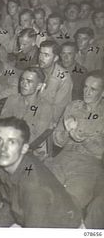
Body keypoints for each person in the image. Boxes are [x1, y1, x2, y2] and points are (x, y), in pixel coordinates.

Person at [0, 117, 81, 228]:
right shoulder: (6, 166)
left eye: (11, 142)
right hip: (28, 216)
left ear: (24, 148)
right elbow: (9, 203)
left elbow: (35, 228)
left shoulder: (34, 188)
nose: (2, 148)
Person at [46, 70, 104, 212]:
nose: (87, 92)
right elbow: (57, 141)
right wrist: (67, 133)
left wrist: (82, 138)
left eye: (93, 89)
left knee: (68, 207)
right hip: (62, 160)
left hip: (88, 166)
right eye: (85, 87)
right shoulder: (73, 106)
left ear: (102, 93)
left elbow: (101, 152)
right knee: (42, 196)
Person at [0, 68, 54, 160]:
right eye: (22, 80)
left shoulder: (45, 107)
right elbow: (1, 124)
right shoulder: (12, 99)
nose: (24, 84)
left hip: (31, 151)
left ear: (39, 86)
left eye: (29, 81)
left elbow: (36, 138)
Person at [38, 40, 73, 122]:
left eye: (46, 55)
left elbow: (57, 111)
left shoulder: (64, 78)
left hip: (50, 121)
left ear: (55, 58)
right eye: (40, 53)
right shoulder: (35, 70)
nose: (41, 58)